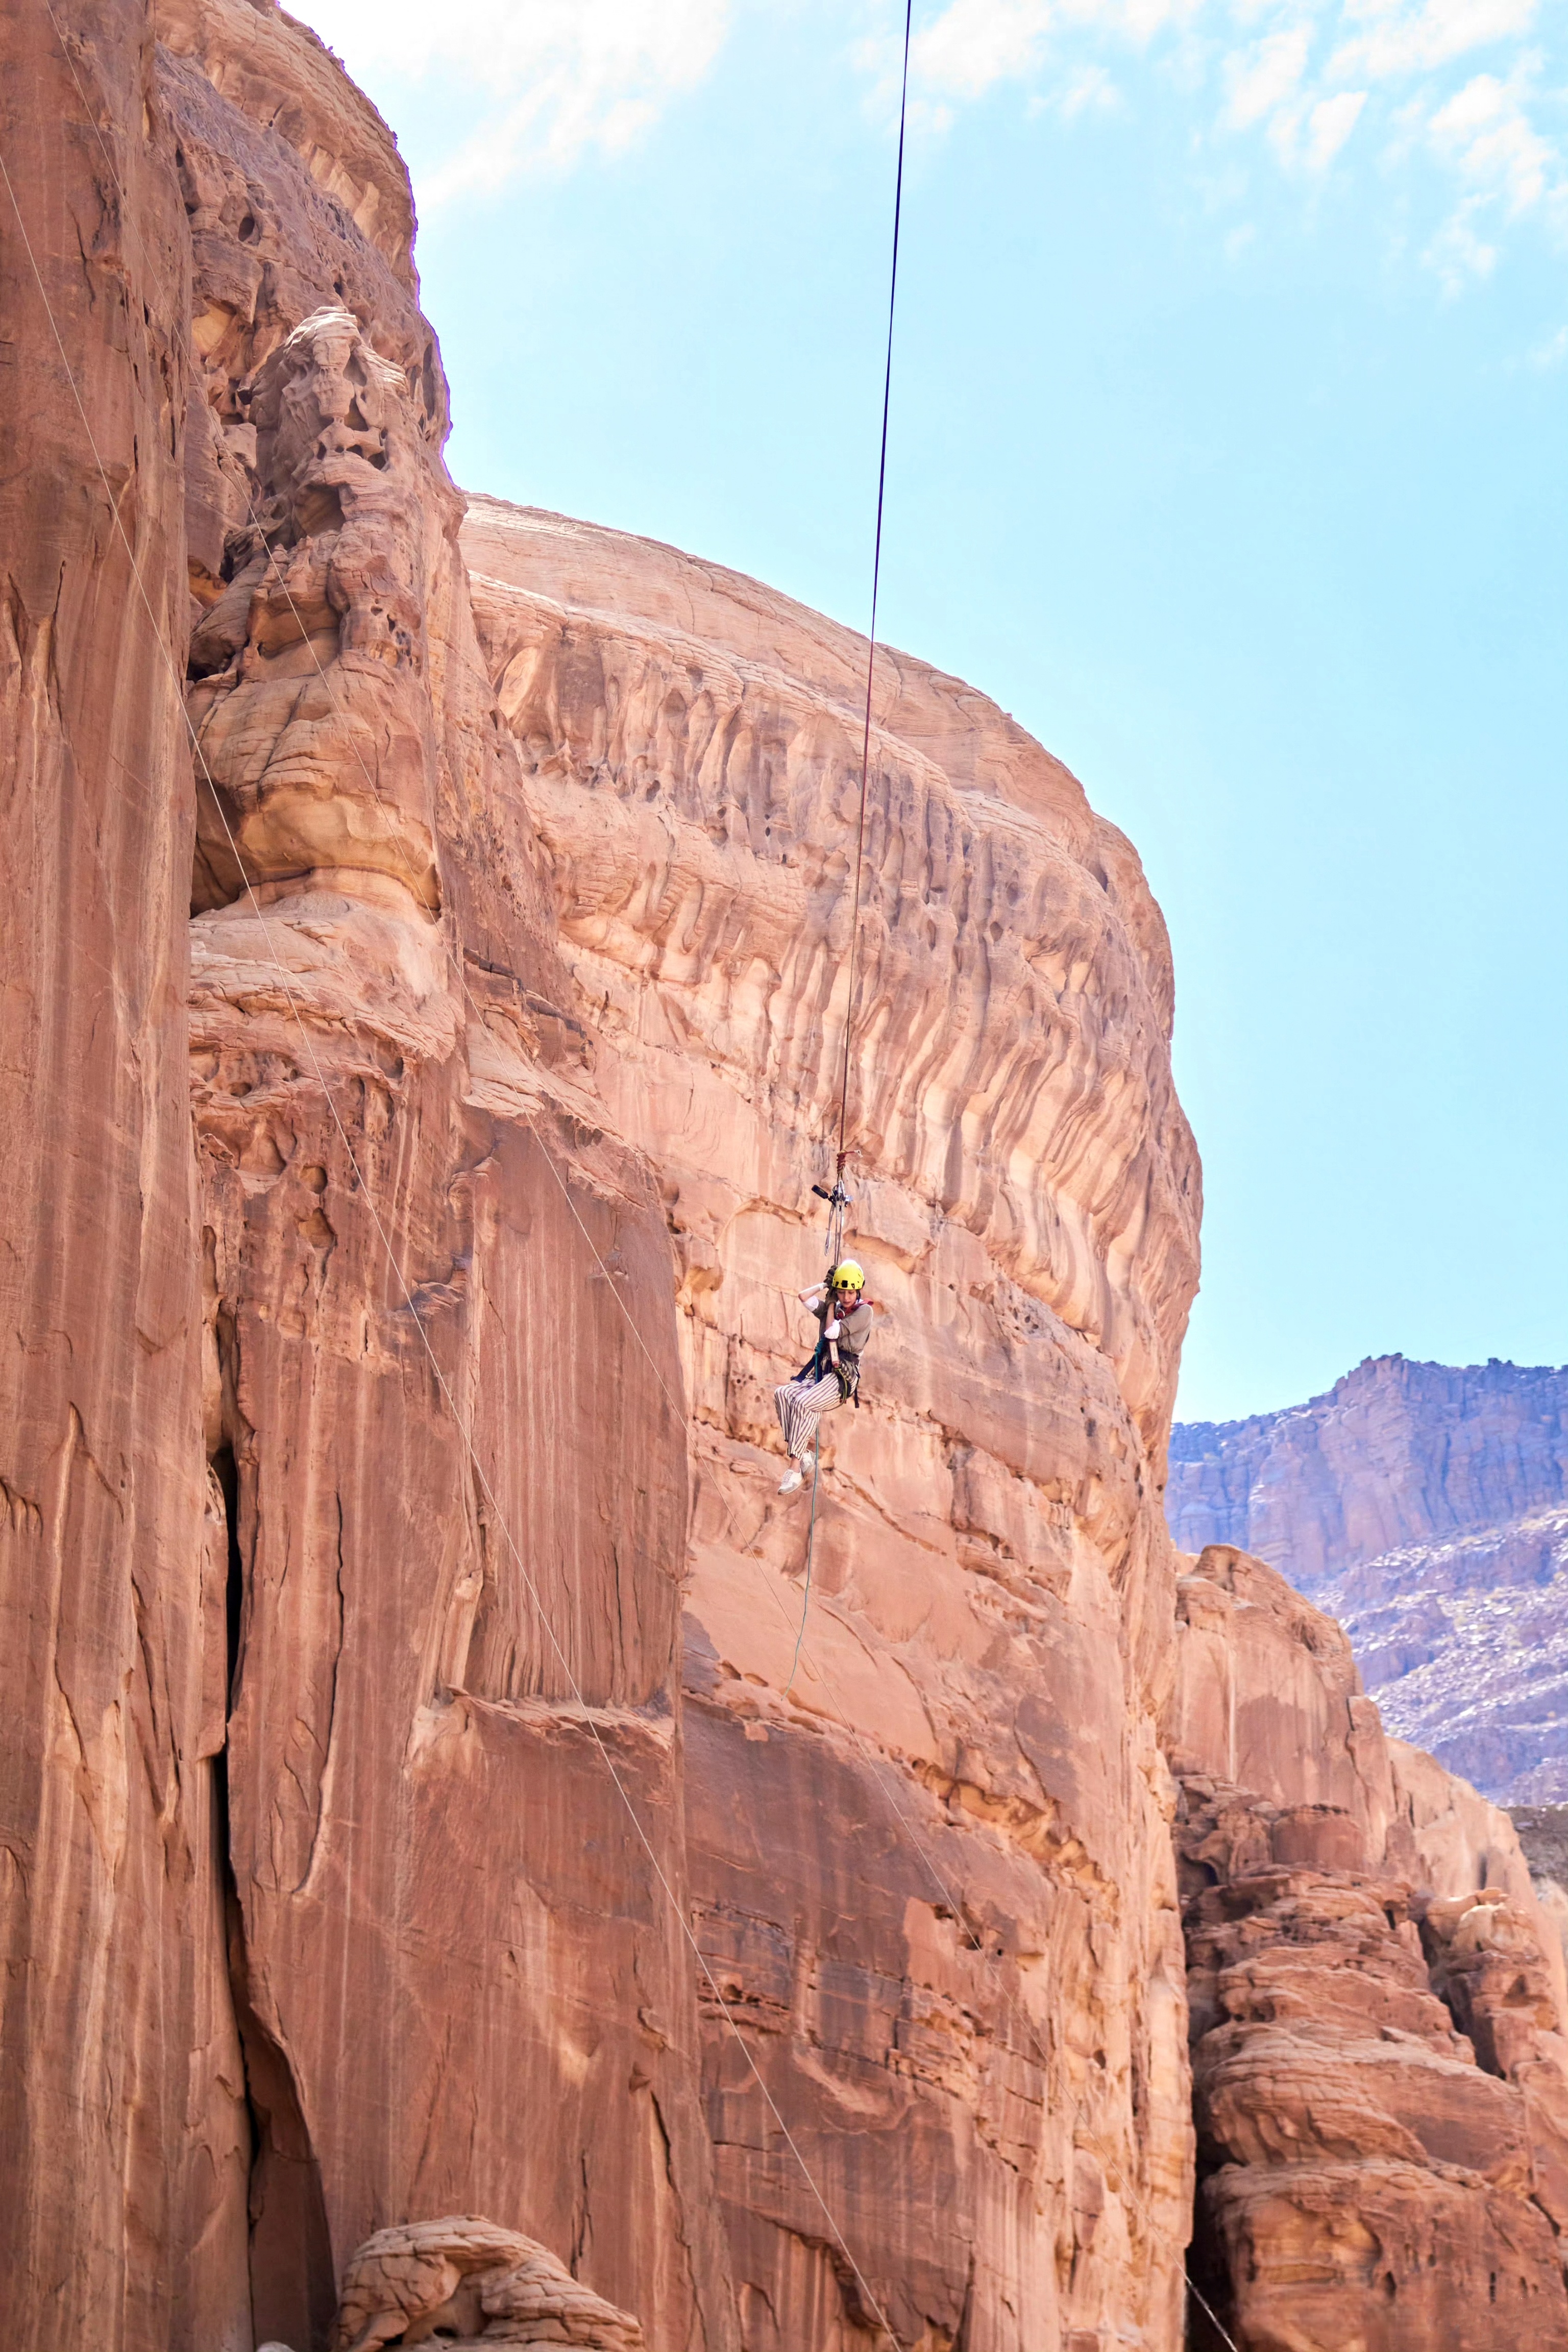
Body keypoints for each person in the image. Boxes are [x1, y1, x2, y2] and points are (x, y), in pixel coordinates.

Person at [774, 1261, 874, 1494]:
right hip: (825, 1371)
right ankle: (804, 1455)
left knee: (803, 1403)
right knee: (783, 1394)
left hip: (843, 1377)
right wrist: (824, 1286)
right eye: (842, 1291)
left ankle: (795, 1467)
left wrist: (830, 1303)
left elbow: (831, 1333)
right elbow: (803, 1297)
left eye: (850, 1292)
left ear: (858, 1290)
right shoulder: (836, 1307)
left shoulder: (864, 1312)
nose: (846, 1296)